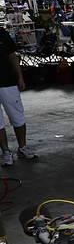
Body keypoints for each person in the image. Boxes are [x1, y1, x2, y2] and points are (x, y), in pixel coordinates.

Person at [0, 25, 36, 167]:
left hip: (8, 81)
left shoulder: (1, 34)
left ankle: (22, 147)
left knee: (17, 116)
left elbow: (12, 56)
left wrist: (20, 76)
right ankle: (5, 151)